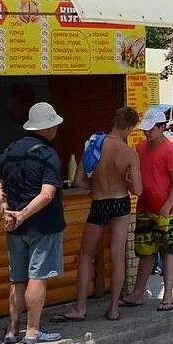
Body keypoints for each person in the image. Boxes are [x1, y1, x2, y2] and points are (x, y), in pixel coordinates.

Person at [55, 107, 142, 323]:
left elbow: (78, 181)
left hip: (100, 202)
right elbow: (138, 190)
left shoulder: (94, 145)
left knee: (85, 255)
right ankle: (113, 309)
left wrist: (96, 185)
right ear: (130, 128)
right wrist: (128, 181)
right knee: (117, 255)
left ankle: (80, 307)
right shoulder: (130, 153)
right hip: (121, 202)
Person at [0, 102, 66, 344]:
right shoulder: (48, 154)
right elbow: (47, 194)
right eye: (54, 124)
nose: (56, 128)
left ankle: (12, 331)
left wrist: (6, 212)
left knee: (18, 279)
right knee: (38, 277)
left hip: (15, 228)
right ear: (47, 128)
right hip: (43, 225)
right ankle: (32, 331)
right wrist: (22, 214)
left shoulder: (10, 150)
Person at [121, 107, 173, 311]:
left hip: (163, 210)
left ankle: (167, 296)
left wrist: (167, 206)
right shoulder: (141, 146)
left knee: (166, 250)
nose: (147, 133)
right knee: (145, 251)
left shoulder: (170, 151)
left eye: (151, 129)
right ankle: (138, 293)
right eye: (145, 129)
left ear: (162, 127)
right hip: (144, 207)